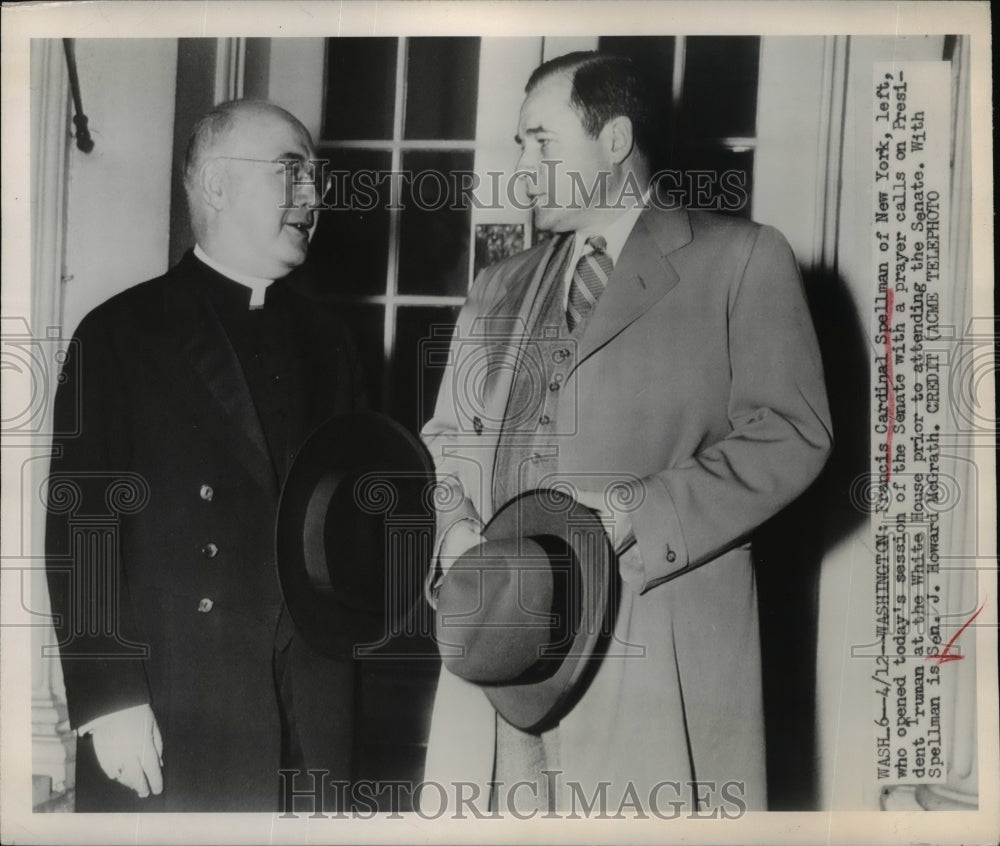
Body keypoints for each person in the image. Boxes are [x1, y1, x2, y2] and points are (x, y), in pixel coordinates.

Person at [421, 52, 833, 813]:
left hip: (649, 647)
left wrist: (635, 512)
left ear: (613, 141)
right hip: (499, 639)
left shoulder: (741, 259)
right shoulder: (499, 284)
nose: (521, 166)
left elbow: (791, 435)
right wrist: (453, 529)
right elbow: (449, 435)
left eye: (539, 142)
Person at [45, 100, 366, 812]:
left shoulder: (330, 341)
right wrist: (109, 700)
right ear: (217, 187)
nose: (314, 196)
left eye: (315, 176)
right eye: (292, 172)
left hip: (313, 704)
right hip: (174, 701)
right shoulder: (120, 334)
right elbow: (81, 531)